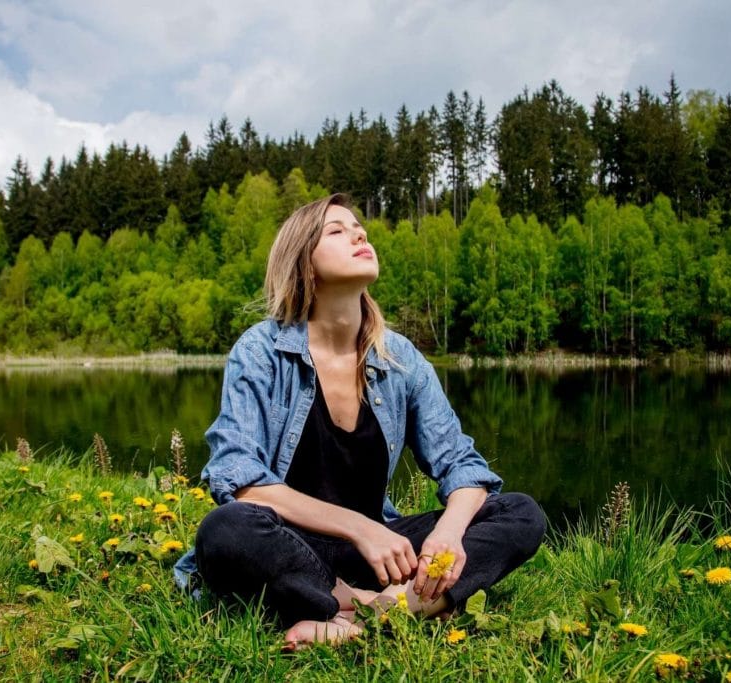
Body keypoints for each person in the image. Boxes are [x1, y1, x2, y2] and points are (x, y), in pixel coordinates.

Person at [173, 193, 545, 648]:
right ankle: (372, 607)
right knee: (225, 528)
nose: (359, 234)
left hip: (377, 553)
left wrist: (447, 535)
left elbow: (463, 466)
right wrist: (359, 527)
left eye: (358, 228)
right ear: (304, 264)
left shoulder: (401, 358)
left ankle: (363, 615)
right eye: (337, 231)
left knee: (519, 512)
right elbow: (240, 478)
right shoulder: (260, 352)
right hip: (288, 547)